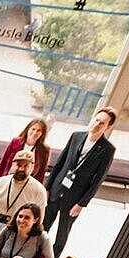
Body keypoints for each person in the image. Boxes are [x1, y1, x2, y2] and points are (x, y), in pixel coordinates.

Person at [44, 106, 117, 250]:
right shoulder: (76, 136)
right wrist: (47, 188)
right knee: (43, 228)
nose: (96, 124)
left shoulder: (107, 149)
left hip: (74, 198)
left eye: (102, 123)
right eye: (96, 120)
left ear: (107, 127)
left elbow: (98, 180)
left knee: (61, 237)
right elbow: (59, 163)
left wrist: (82, 203)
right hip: (56, 189)